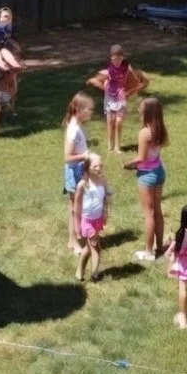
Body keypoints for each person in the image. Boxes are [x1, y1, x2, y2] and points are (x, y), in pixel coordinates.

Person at [127, 97, 168, 263]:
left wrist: (127, 164)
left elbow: (141, 158)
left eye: (141, 109)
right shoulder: (160, 129)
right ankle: (159, 247)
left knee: (148, 213)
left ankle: (148, 252)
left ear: (148, 113)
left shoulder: (144, 133)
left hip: (147, 176)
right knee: (157, 211)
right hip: (159, 172)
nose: (139, 111)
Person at [87, 44, 149, 153]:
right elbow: (97, 80)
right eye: (115, 59)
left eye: (120, 59)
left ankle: (117, 146)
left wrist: (132, 90)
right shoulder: (108, 70)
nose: (118, 61)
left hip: (121, 97)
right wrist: (104, 87)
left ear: (123, 57)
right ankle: (110, 144)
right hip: (110, 97)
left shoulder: (126, 68)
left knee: (118, 122)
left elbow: (138, 80)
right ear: (111, 58)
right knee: (111, 121)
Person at [62, 93, 96, 255]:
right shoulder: (73, 129)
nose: (91, 112)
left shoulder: (78, 126)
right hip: (74, 170)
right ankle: (73, 241)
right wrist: (85, 156)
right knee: (74, 208)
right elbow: (67, 157)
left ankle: (76, 238)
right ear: (79, 110)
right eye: (89, 109)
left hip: (80, 168)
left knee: (78, 206)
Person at [73, 153, 111, 282]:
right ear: (88, 167)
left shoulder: (103, 181)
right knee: (95, 245)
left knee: (88, 248)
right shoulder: (83, 184)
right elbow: (76, 207)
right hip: (86, 221)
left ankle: (79, 271)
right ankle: (95, 274)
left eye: (100, 165)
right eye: (95, 166)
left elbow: (105, 199)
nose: (99, 168)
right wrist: (77, 226)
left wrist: (105, 213)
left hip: (98, 219)